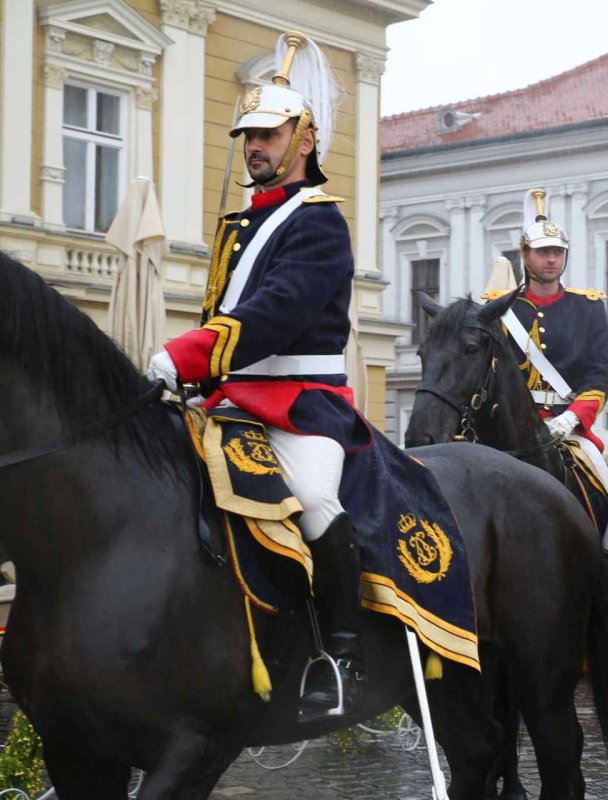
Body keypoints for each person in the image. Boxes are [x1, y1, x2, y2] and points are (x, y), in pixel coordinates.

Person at [145, 32, 367, 717]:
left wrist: (185, 354)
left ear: (305, 139)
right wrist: (190, 380)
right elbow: (224, 311)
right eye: (248, 135)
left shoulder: (321, 224)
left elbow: (277, 314)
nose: (253, 147)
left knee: (315, 502)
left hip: (302, 405)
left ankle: (341, 652)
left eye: (268, 134)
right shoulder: (239, 225)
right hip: (229, 400)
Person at [502, 188, 608, 570]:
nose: (552, 259)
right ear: (525, 255)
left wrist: (572, 418)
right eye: (543, 252)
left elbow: (599, 374)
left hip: (568, 428)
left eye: (558, 252)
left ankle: (607, 587)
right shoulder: (502, 308)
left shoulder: (587, 307)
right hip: (511, 427)